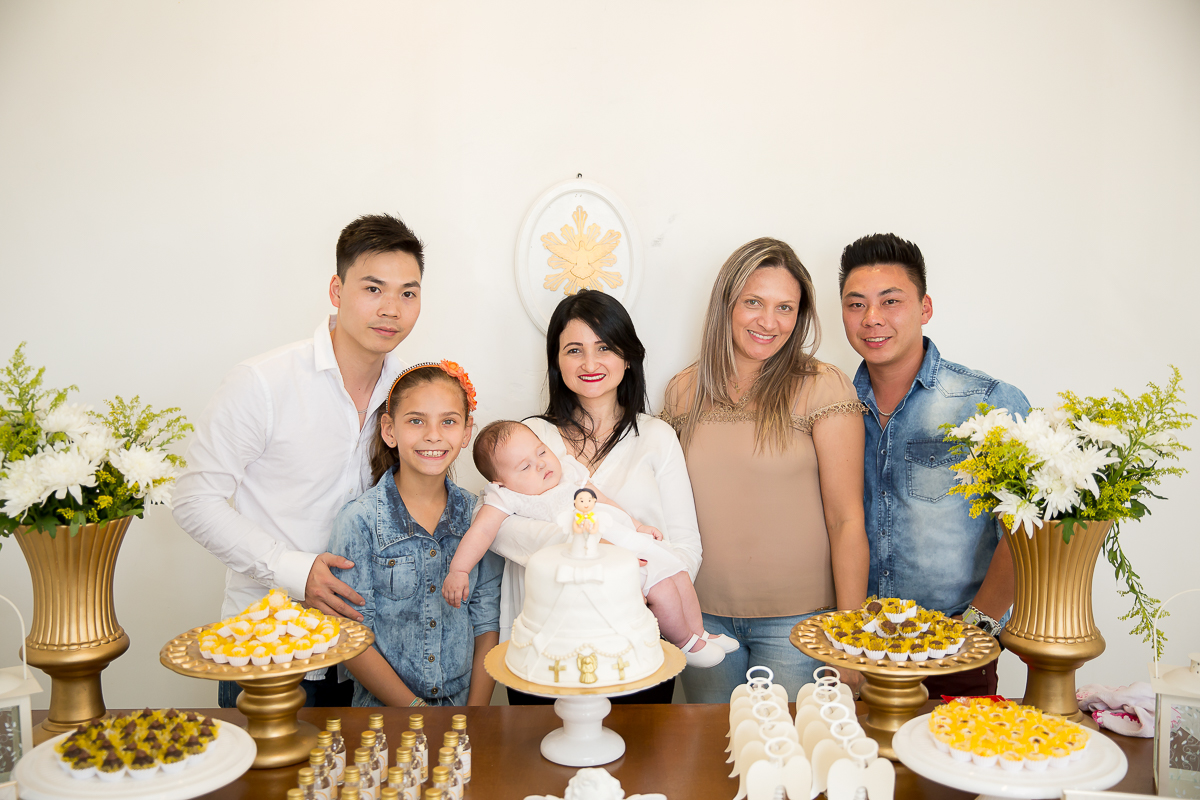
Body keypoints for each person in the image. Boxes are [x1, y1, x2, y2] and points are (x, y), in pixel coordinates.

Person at [172, 213, 424, 707]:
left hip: (375, 649)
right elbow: (193, 499)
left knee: (368, 783)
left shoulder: (411, 392)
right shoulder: (262, 382)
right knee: (273, 786)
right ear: (336, 289)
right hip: (269, 646)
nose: (391, 308)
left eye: (408, 293)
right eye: (373, 288)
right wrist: (293, 569)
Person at [661, 237, 870, 703]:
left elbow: (846, 519)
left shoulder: (822, 386)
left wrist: (850, 636)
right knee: (714, 760)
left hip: (799, 625)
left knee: (789, 763)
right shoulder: (682, 393)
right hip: (700, 623)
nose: (768, 322)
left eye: (785, 308)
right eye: (754, 302)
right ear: (727, 304)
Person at [839, 232, 1030, 697]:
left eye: (890, 301)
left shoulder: (986, 402)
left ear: (925, 308)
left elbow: (1026, 527)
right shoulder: (834, 406)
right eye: (856, 304)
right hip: (861, 646)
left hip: (956, 646)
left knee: (954, 765)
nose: (872, 319)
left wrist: (978, 628)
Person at [490, 290, 703, 704]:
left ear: (627, 357)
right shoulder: (530, 437)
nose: (590, 364)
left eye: (604, 347)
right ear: (556, 361)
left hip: (636, 649)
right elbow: (499, 529)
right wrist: (599, 552)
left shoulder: (657, 437)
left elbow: (686, 547)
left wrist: (638, 587)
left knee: (642, 762)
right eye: (574, 350)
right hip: (547, 655)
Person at [443, 419, 735, 667]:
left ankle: (699, 632)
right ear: (501, 483)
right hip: (595, 556)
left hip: (622, 538)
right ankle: (684, 642)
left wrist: (637, 526)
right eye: (525, 467)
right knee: (662, 587)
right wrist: (459, 569)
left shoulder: (570, 473)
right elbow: (481, 532)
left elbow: (606, 502)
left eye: (541, 452)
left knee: (676, 570)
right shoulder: (506, 498)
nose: (541, 464)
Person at [327, 361, 502, 706]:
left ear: (467, 431)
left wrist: (476, 716)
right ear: (389, 430)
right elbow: (349, 635)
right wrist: (416, 712)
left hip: (463, 714)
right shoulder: (360, 521)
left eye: (448, 421)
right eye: (416, 421)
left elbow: (487, 622)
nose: (433, 435)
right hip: (382, 719)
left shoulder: (481, 517)